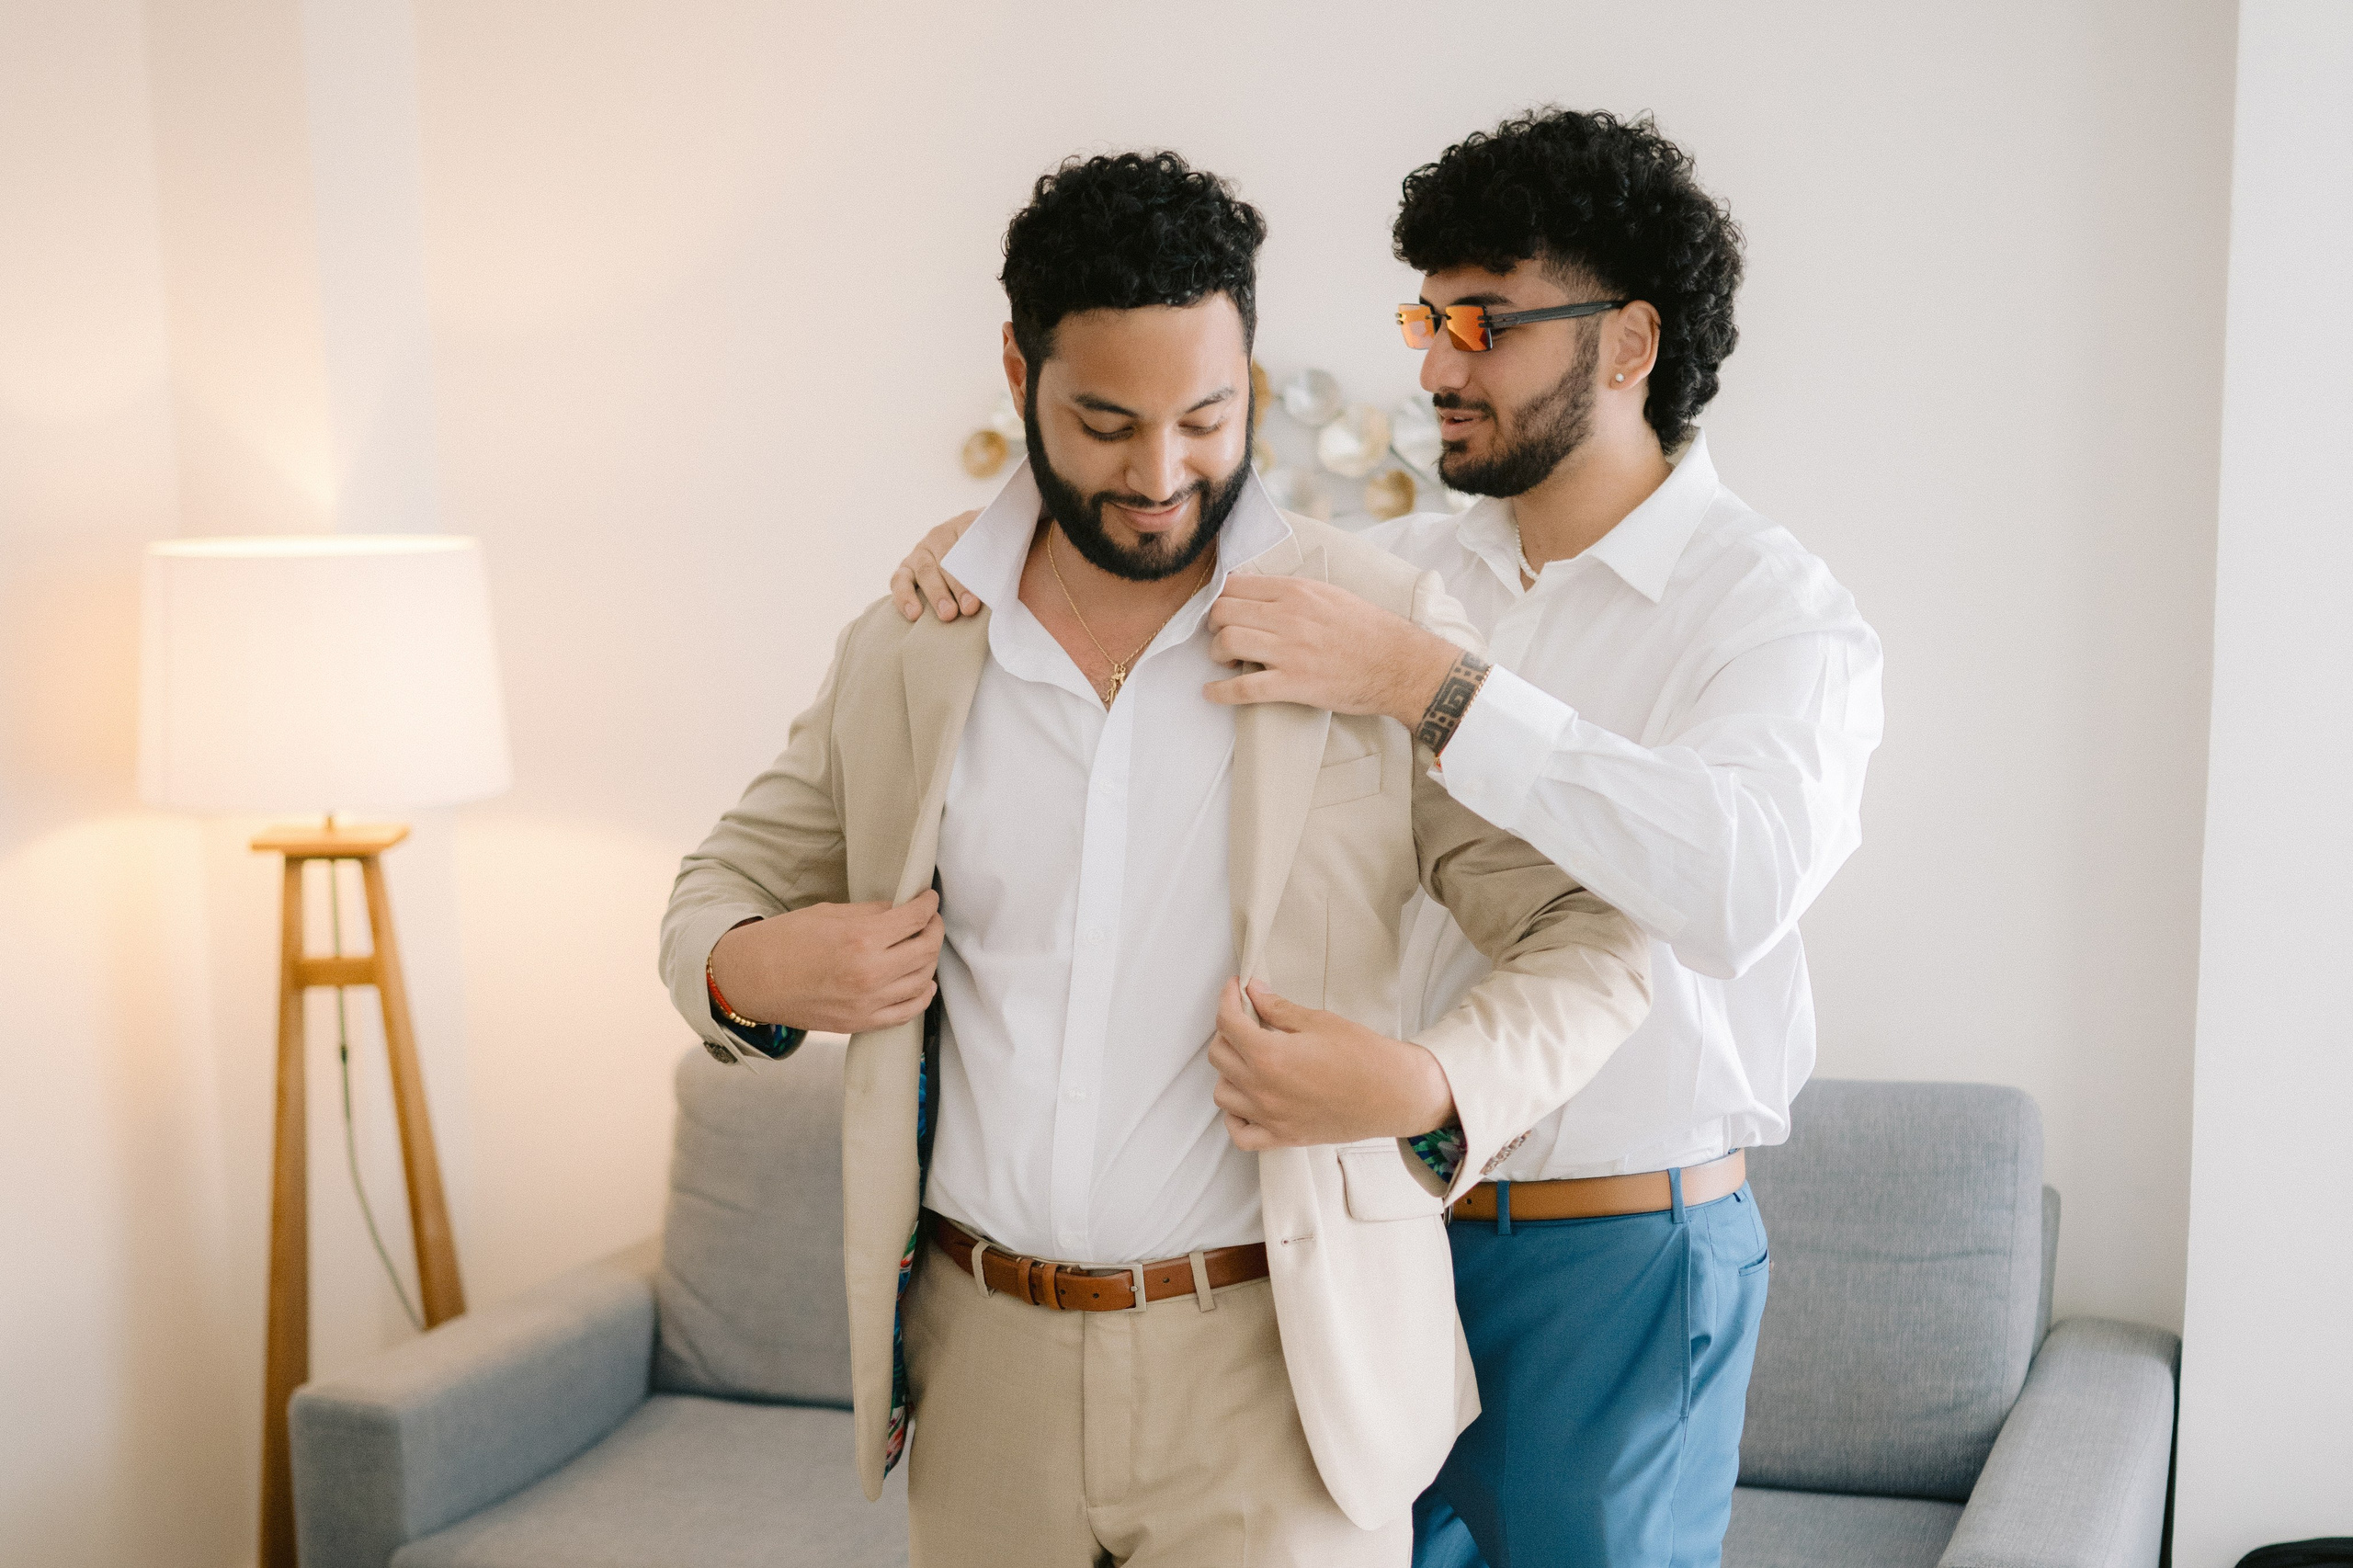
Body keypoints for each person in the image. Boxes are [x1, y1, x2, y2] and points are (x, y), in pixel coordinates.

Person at [889, 108, 1885, 1568]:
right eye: (1427, 315)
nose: (1433, 364)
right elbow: (1152, 543)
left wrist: (1432, 687)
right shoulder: (1400, 572)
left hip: (1609, 1250)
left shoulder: (1774, 615)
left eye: (1482, 322)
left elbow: (1733, 886)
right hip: (1358, 1246)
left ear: (1626, 345)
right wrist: (972, 554)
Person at [661, 148, 1651, 1568]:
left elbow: (1597, 933)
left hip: (1280, 1383)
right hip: (980, 1371)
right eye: (1107, 423)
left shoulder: (1370, 624)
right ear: (1018, 371)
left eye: (1206, 415)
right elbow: (715, 886)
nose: (1162, 474)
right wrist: (753, 964)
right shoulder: (912, 646)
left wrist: (1430, 1081)